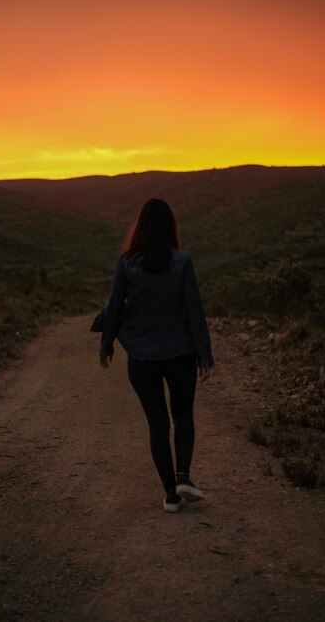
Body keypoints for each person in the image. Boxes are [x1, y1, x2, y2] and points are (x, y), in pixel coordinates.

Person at [99, 198, 214, 513]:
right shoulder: (182, 262)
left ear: (141, 227)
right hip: (179, 353)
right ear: (170, 227)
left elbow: (114, 307)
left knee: (157, 423)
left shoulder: (127, 263)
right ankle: (183, 477)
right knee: (183, 415)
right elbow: (194, 311)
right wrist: (205, 354)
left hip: (142, 357)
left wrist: (106, 344)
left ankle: (171, 495)